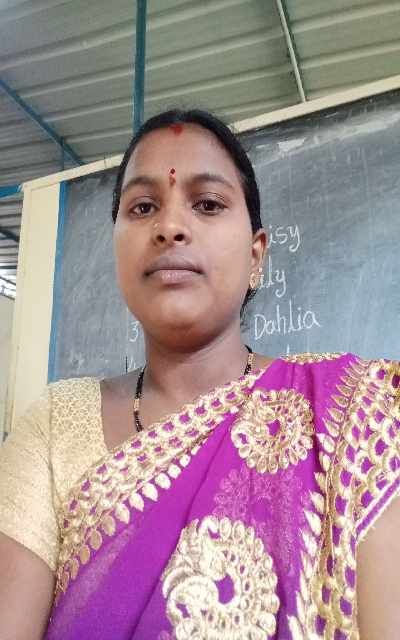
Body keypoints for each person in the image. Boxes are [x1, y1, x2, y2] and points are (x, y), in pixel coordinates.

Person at [0, 109, 399, 640]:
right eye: (143, 207)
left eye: (208, 204)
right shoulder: (53, 427)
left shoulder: (354, 417)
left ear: (257, 255)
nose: (169, 227)